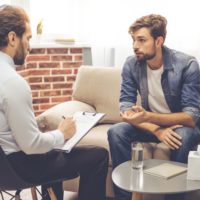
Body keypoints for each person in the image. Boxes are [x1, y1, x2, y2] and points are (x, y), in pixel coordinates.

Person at [0, 5, 108, 200]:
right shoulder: (12, 83)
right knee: (97, 156)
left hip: (4, 166)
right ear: (12, 38)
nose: (29, 46)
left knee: (52, 149)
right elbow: (32, 146)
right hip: (19, 168)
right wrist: (62, 133)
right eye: (28, 38)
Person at [108, 14, 200, 200]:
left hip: (181, 126)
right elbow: (125, 106)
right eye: (134, 40)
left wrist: (148, 117)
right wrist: (156, 130)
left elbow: (191, 117)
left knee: (184, 136)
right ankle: (125, 197)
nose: (135, 46)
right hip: (151, 126)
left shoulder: (187, 65)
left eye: (142, 40)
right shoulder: (131, 64)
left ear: (159, 41)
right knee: (116, 132)